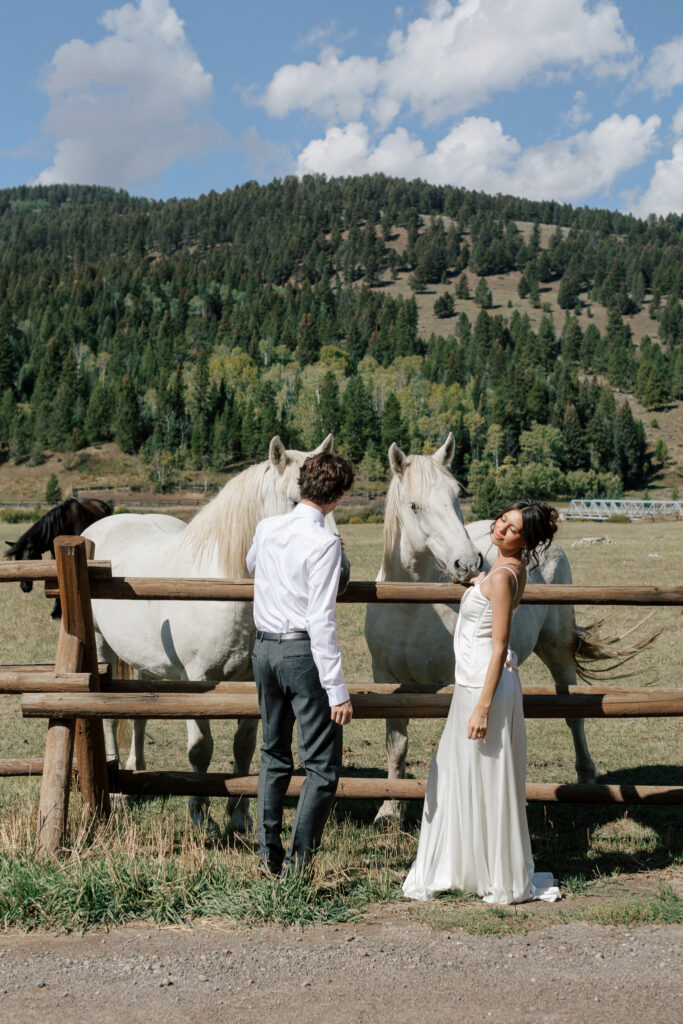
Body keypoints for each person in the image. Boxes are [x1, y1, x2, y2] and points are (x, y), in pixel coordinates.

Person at [403, 500, 562, 905]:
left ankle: (482, 869)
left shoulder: (505, 577)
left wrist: (482, 707)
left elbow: (500, 646)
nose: (500, 530)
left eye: (512, 530)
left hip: (481, 686)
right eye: (501, 522)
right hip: (475, 682)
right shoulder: (505, 570)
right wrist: (478, 583)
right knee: (469, 775)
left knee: (475, 775)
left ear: (525, 540)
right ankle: (475, 865)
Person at [246, 450, 355, 875]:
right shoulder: (324, 543)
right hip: (301, 653)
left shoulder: (268, 527)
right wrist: (338, 690)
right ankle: (298, 864)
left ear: (302, 484)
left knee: (273, 754)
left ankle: (267, 854)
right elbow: (321, 619)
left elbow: (251, 564)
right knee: (322, 766)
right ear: (338, 498)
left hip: (264, 650)